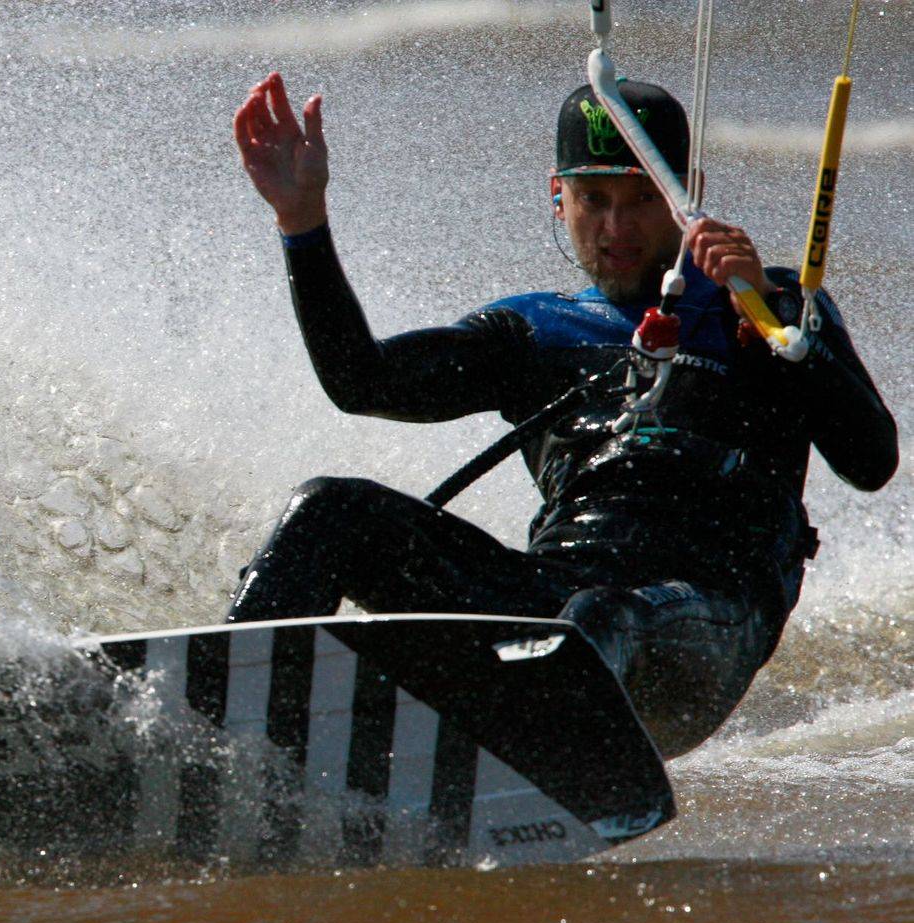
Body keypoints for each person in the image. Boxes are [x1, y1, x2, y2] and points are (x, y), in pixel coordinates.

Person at [226, 73, 898, 757]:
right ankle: (210, 728)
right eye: (593, 199)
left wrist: (775, 320)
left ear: (687, 194)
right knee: (327, 512)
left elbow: (871, 460)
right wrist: (302, 223)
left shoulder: (769, 307)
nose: (617, 228)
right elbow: (360, 381)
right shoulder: (533, 332)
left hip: (706, 616)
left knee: (601, 616)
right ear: (558, 196)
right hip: (554, 603)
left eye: (644, 198)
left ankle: (533, 774)